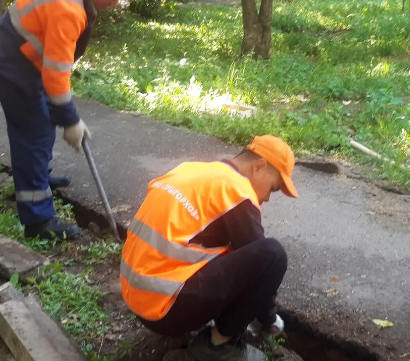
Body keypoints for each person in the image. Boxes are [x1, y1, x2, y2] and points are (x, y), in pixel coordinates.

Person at [0, 0, 132, 240]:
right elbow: (55, 77)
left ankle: (36, 177)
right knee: (33, 132)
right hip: (9, 64)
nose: (113, 4)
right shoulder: (68, 9)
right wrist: (71, 120)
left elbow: (54, 71)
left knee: (41, 123)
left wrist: (63, 116)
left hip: (22, 56)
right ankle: (38, 221)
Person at [120, 135, 298, 361]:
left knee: (234, 251)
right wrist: (269, 319)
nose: (267, 198)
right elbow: (261, 262)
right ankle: (218, 344)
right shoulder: (235, 191)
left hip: (139, 299)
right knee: (273, 254)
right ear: (259, 167)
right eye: (273, 188)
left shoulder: (191, 170)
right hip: (166, 310)